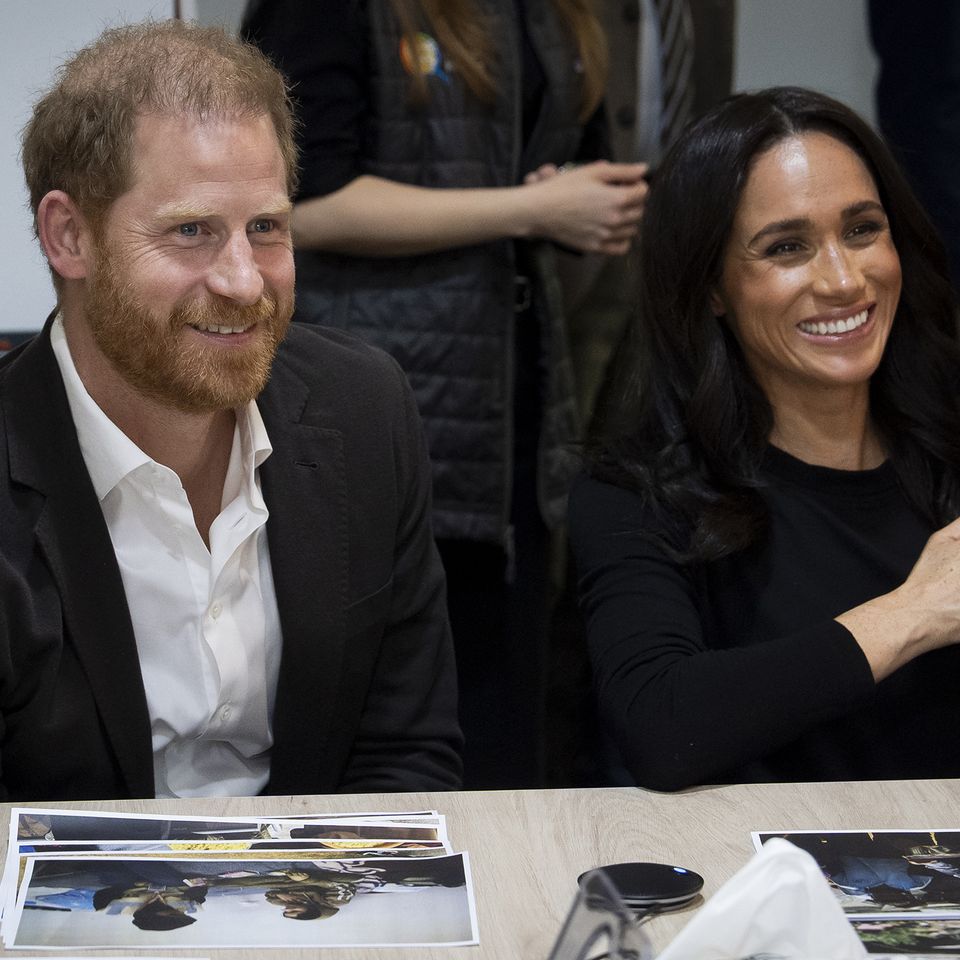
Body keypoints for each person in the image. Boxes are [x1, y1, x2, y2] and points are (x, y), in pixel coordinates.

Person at [0, 19, 462, 802]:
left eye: (266, 228)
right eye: (191, 231)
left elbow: (406, 752)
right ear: (69, 235)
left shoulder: (361, 410)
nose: (245, 282)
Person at [242, 0, 648, 788]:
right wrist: (532, 207)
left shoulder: (562, 15)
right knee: (399, 714)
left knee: (509, 710)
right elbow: (301, 203)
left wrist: (579, 197)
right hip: (369, 393)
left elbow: (561, 168)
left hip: (516, 395)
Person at [569, 86, 960, 790]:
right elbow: (662, 725)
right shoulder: (637, 494)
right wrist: (919, 610)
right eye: (788, 247)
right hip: (755, 887)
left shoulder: (950, 441)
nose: (844, 279)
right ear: (711, 286)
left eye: (864, 229)